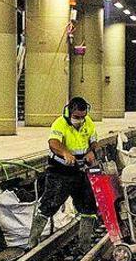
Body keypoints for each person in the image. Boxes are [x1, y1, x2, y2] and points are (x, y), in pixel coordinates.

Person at [28, 96, 100, 251]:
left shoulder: (88, 123)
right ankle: (31, 243)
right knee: (49, 204)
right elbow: (53, 143)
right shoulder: (60, 123)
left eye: (82, 117)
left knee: (88, 206)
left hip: (80, 171)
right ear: (69, 113)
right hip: (60, 172)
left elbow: (93, 141)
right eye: (76, 117)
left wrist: (91, 151)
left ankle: (84, 245)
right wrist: (65, 153)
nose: (80, 120)